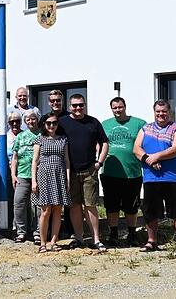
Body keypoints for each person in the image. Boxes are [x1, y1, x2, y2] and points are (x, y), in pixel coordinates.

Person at [133, 99, 176, 253]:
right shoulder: (146, 129)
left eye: (164, 111)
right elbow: (136, 149)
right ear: (154, 112)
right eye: (158, 111)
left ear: (169, 112)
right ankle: (151, 241)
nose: (161, 114)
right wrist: (149, 161)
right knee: (151, 211)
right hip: (151, 178)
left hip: (174, 177)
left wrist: (156, 156)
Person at [59, 94, 109, 252]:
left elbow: (105, 142)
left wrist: (99, 162)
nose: (78, 108)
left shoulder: (93, 122)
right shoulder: (62, 122)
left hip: (89, 170)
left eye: (80, 105)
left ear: (85, 105)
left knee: (90, 205)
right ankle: (79, 238)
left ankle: (96, 239)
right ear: (70, 106)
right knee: (74, 206)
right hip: (70, 172)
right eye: (74, 106)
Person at [101, 97, 147, 247]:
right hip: (110, 172)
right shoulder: (105, 124)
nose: (117, 110)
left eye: (120, 107)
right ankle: (113, 234)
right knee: (111, 205)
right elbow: (99, 144)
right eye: (114, 108)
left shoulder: (139, 123)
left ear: (125, 107)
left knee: (131, 206)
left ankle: (132, 234)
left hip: (132, 172)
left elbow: (146, 143)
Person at [32, 112, 70, 253]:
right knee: (45, 211)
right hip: (44, 175)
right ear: (44, 124)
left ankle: (54, 241)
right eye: (48, 123)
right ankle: (43, 242)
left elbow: (66, 161)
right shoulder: (39, 139)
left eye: (54, 123)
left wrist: (67, 180)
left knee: (57, 210)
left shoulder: (63, 139)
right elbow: (35, 161)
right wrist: (34, 181)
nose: (51, 126)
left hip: (59, 175)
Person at [11, 110, 41, 243]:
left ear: (37, 119)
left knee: (38, 206)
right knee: (19, 203)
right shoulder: (20, 136)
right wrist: (13, 174)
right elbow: (15, 157)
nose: (30, 121)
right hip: (22, 175)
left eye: (33, 118)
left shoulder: (42, 134)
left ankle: (38, 232)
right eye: (28, 119)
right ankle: (21, 231)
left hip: (39, 175)